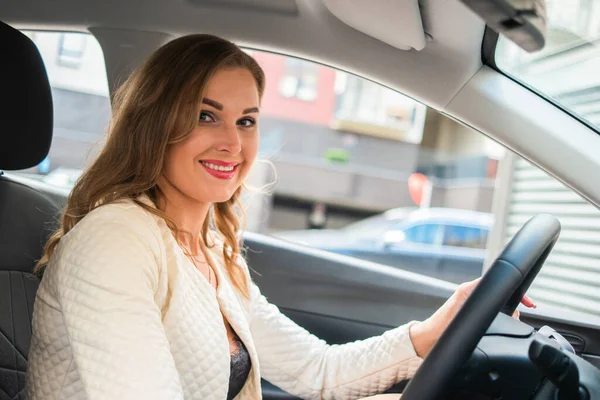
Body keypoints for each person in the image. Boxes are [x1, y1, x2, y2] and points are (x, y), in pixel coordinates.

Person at [25, 34, 534, 400]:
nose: (233, 141)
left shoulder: (214, 254)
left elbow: (317, 372)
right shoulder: (116, 241)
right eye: (207, 115)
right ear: (156, 123)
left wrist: (438, 327)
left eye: (246, 120)